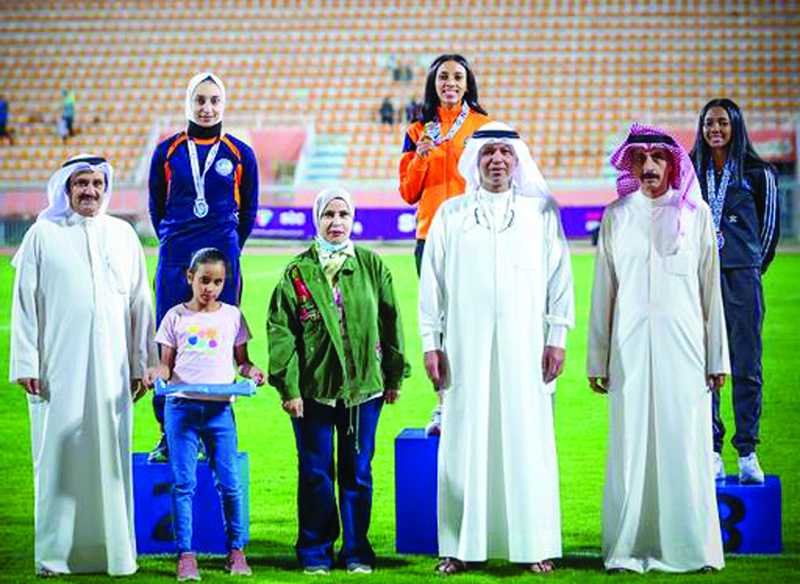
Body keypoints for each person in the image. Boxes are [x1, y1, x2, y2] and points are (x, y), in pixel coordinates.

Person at [419, 122, 574, 575]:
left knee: (529, 439)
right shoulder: (450, 213)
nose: (497, 161)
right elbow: (433, 287)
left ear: (518, 160)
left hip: (528, 348)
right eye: (489, 154)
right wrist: (432, 344)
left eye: (506, 153)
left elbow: (559, 282)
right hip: (463, 348)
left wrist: (557, 337)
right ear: (475, 161)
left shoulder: (541, 213)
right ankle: (457, 546)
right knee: (464, 440)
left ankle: (535, 544)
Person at [588, 125, 729, 573]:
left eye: (659, 158)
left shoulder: (697, 215)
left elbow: (711, 293)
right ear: (629, 164)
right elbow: (602, 294)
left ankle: (693, 548)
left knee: (685, 443)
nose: (649, 167)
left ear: (673, 163)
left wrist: (717, 357)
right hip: (627, 353)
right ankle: (626, 548)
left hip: (685, 351)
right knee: (630, 446)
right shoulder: (616, 216)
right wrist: (598, 357)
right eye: (641, 159)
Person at [9, 154, 155, 577]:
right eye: (81, 184)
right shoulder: (42, 234)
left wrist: (141, 363)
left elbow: (139, 302)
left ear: (106, 189)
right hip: (56, 369)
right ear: (66, 190)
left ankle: (115, 554)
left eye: (96, 184)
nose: (90, 191)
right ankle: (55, 556)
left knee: (111, 457)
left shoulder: (123, 234)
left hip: (114, 369)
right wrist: (25, 361)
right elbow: (24, 304)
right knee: (56, 456)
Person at [267, 187, 410, 575]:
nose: (336, 222)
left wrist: (393, 374)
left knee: (358, 473)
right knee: (315, 472)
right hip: (312, 393)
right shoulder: (297, 271)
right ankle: (314, 550)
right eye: (328, 215)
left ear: (353, 219)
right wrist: (289, 387)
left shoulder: (371, 265)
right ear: (317, 219)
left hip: (365, 390)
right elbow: (281, 333)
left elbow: (391, 321)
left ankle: (357, 551)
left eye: (343, 214)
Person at [148, 71, 259, 462]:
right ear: (188, 104)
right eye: (200, 100)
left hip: (223, 254)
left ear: (223, 104)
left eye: (214, 100)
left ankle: (216, 432)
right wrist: (173, 239)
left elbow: (249, 211)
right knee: (170, 345)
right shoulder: (167, 151)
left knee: (219, 341)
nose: (207, 108)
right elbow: (156, 208)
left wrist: (229, 250)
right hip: (177, 254)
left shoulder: (241, 152)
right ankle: (168, 433)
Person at [144, 247, 264, 581]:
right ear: (190, 278)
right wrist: (156, 372)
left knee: (229, 484)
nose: (210, 288)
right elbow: (166, 364)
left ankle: (236, 552)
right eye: (204, 280)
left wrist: (252, 371)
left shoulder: (233, 316)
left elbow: (242, 360)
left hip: (220, 411)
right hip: (181, 409)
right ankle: (186, 555)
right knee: (184, 483)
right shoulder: (175, 317)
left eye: (217, 282)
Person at [399, 53, 491, 435]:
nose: (450, 83)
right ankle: (443, 405)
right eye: (443, 77)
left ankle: (479, 403)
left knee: (478, 321)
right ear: (433, 84)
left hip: (477, 235)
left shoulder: (485, 127)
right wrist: (420, 158)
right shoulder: (418, 130)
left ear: (468, 82)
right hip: (431, 237)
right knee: (437, 324)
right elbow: (407, 193)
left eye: (457, 76)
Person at [690, 98, 780, 484]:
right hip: (696, 278)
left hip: (742, 276)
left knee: (746, 363)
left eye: (723, 123)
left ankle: (747, 450)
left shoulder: (759, 173)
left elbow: (769, 233)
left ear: (736, 126)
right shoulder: (692, 171)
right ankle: (711, 448)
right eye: (709, 123)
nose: (715, 130)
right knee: (702, 364)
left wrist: (749, 267)